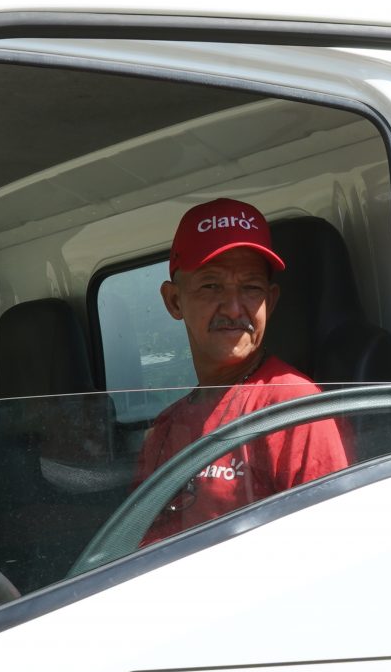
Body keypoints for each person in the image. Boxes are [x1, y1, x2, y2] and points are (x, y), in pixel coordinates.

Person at [133, 198, 350, 544]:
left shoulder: (292, 407)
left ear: (271, 300)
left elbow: (330, 552)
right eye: (211, 286)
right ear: (174, 301)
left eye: (251, 288)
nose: (234, 309)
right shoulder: (165, 429)